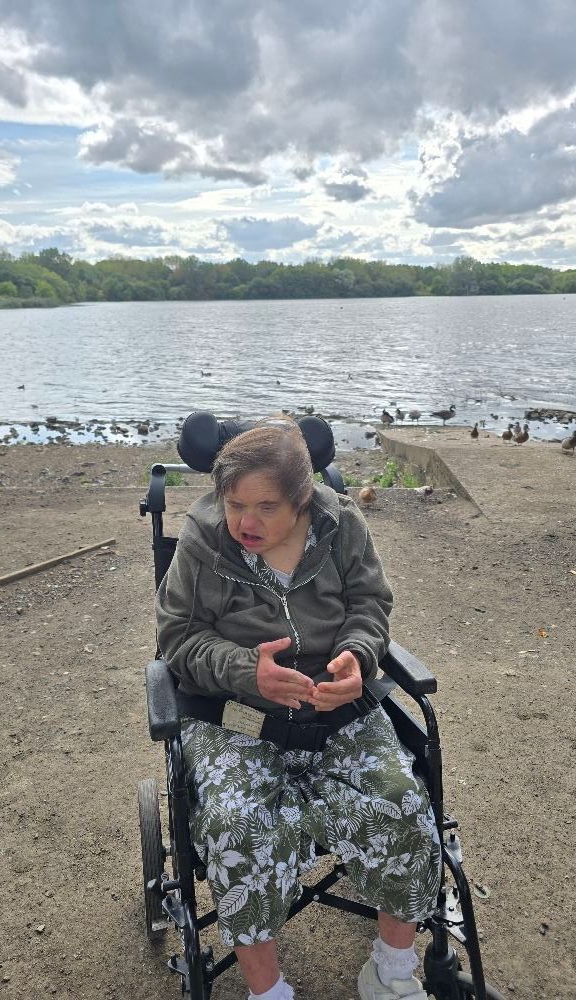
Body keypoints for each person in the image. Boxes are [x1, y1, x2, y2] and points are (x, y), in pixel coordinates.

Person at [156, 418, 442, 1000]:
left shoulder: (341, 526)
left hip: (337, 709)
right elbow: (177, 639)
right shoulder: (204, 538)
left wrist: (357, 656)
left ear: (303, 497)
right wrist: (245, 671)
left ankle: (391, 970)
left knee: (405, 807)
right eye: (234, 504)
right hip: (235, 717)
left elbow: (369, 604)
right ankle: (269, 991)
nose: (246, 523)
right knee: (238, 829)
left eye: (265, 507)